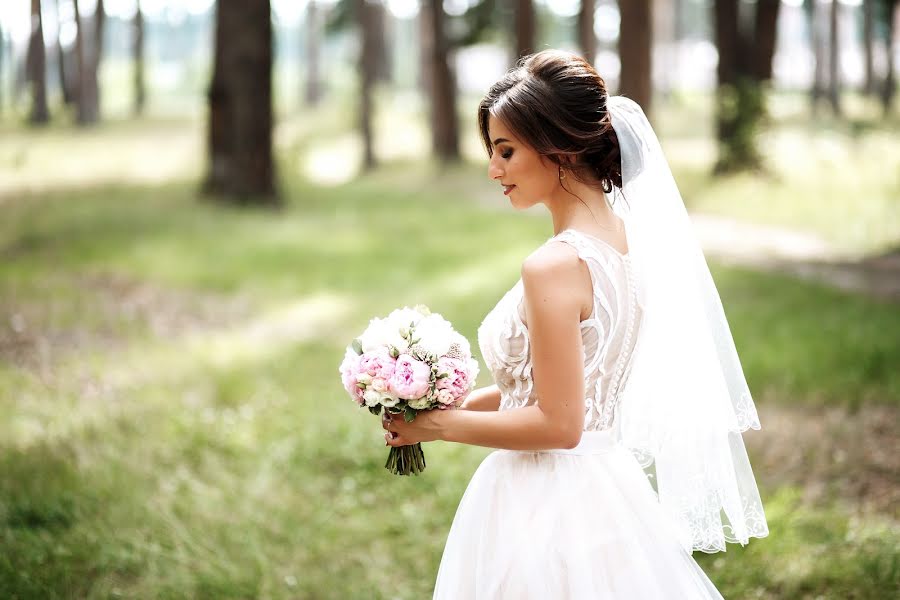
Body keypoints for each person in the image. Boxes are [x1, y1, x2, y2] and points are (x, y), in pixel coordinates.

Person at [382, 49, 768, 599]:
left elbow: (559, 425)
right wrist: (440, 404)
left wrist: (434, 429)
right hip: (605, 488)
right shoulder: (629, 246)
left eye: (506, 151)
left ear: (557, 147)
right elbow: (555, 389)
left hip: (544, 498)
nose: (494, 170)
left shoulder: (554, 266)